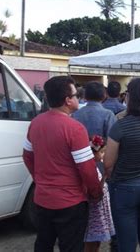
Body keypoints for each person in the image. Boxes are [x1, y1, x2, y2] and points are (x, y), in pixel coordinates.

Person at [22, 76, 103, 252]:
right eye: (76, 95)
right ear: (67, 100)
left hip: (43, 198)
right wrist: (96, 193)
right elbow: (87, 169)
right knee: (71, 246)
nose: (78, 98)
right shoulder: (74, 128)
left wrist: (39, 178)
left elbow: (27, 156)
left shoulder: (35, 123)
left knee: (43, 243)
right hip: (71, 202)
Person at [104, 77, 140, 252]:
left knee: (127, 243)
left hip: (124, 186)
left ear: (131, 97)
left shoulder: (120, 126)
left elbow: (108, 163)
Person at [84, 135, 115, 252]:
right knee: (92, 240)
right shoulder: (92, 168)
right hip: (96, 210)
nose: (103, 155)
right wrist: (106, 175)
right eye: (102, 152)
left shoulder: (95, 166)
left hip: (100, 208)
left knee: (96, 240)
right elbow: (97, 189)